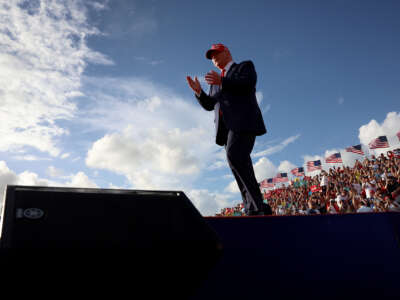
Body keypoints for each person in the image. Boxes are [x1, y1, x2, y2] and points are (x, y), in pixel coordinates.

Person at [186, 43, 271, 216]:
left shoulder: (244, 66)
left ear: (227, 52)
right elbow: (210, 105)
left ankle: (256, 208)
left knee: (235, 156)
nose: (214, 59)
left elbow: (247, 84)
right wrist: (199, 92)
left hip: (244, 122)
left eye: (216, 54)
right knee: (236, 163)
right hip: (227, 130)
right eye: (211, 57)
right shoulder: (216, 81)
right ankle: (255, 207)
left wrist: (222, 81)